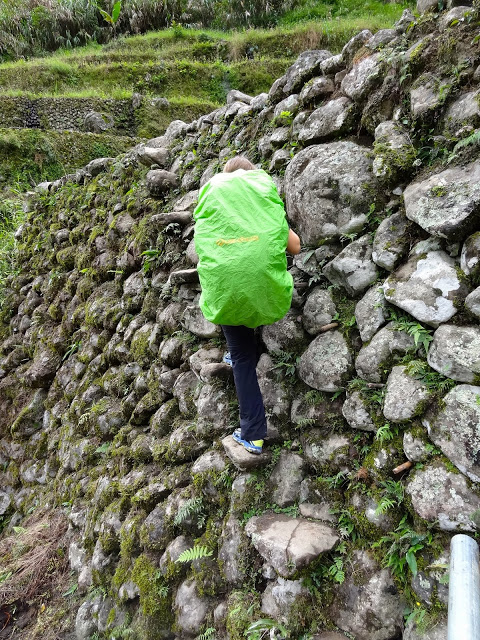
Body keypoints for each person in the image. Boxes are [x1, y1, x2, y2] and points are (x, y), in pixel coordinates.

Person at [194, 156, 300, 455]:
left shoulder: (215, 207)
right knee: (253, 294)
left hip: (227, 286)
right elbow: (296, 247)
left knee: (240, 353)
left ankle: (253, 434)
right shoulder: (265, 209)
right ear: (255, 180)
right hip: (262, 287)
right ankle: (242, 357)